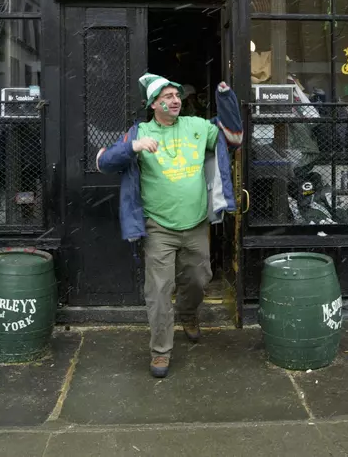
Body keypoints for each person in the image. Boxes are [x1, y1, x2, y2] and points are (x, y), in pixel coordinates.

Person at [96, 73, 243, 378]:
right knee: (160, 290)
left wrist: (226, 99)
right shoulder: (141, 131)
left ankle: (188, 314)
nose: (175, 100)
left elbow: (234, 137)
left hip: (197, 224)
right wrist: (133, 146)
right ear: (153, 104)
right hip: (158, 227)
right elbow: (104, 162)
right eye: (167, 96)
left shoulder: (198, 127)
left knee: (199, 278)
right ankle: (160, 351)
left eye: (176, 95)